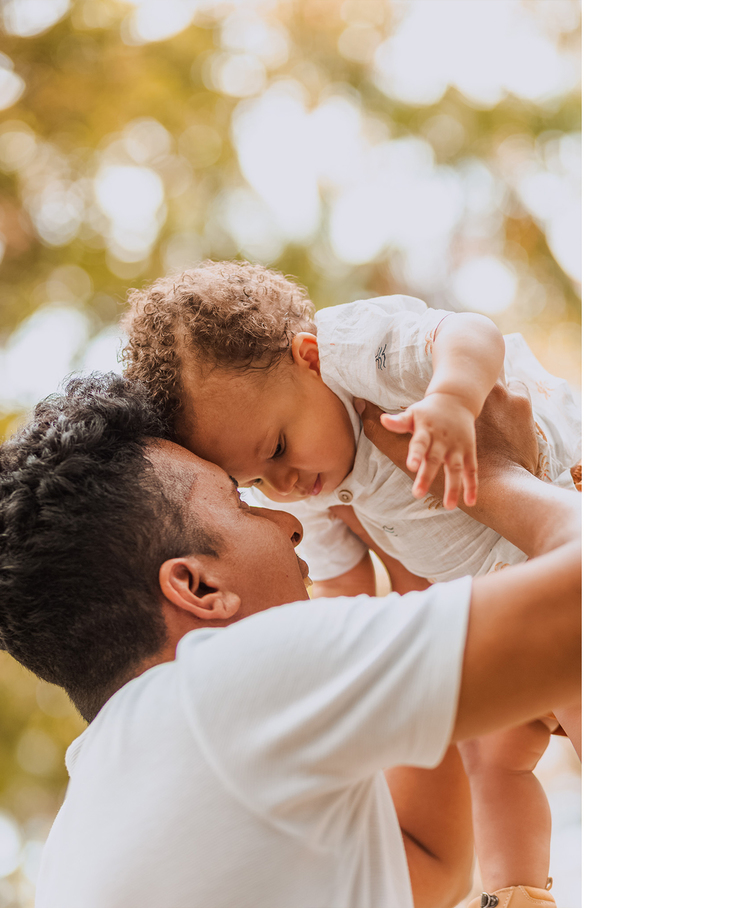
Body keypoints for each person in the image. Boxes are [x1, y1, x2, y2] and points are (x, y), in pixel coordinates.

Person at [0, 371, 580, 908]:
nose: (290, 523)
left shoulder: (89, 824)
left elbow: (424, 864)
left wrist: (403, 578)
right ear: (196, 585)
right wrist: (496, 475)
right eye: (241, 503)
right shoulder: (217, 688)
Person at [119, 261, 582, 900]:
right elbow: (347, 598)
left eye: (278, 448)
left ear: (307, 359)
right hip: (496, 587)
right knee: (488, 753)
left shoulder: (357, 354)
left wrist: (451, 399)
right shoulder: (314, 493)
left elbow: (471, 333)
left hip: (560, 494)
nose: (281, 486)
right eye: (253, 481)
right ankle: (518, 890)